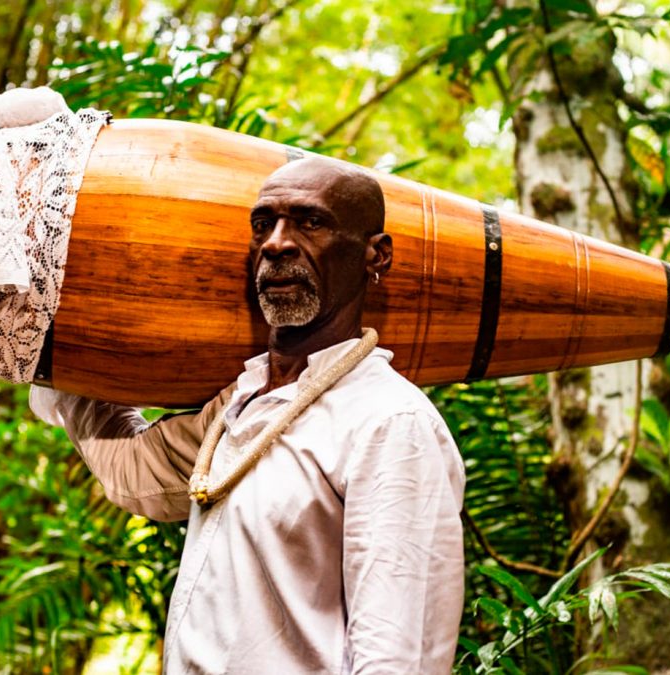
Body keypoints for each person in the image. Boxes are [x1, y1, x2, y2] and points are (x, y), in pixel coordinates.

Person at [30, 157, 466, 673]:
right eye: (263, 225)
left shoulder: (390, 422)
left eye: (311, 222)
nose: (277, 243)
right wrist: (45, 340)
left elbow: (396, 660)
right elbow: (133, 473)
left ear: (377, 256)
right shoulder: (243, 402)